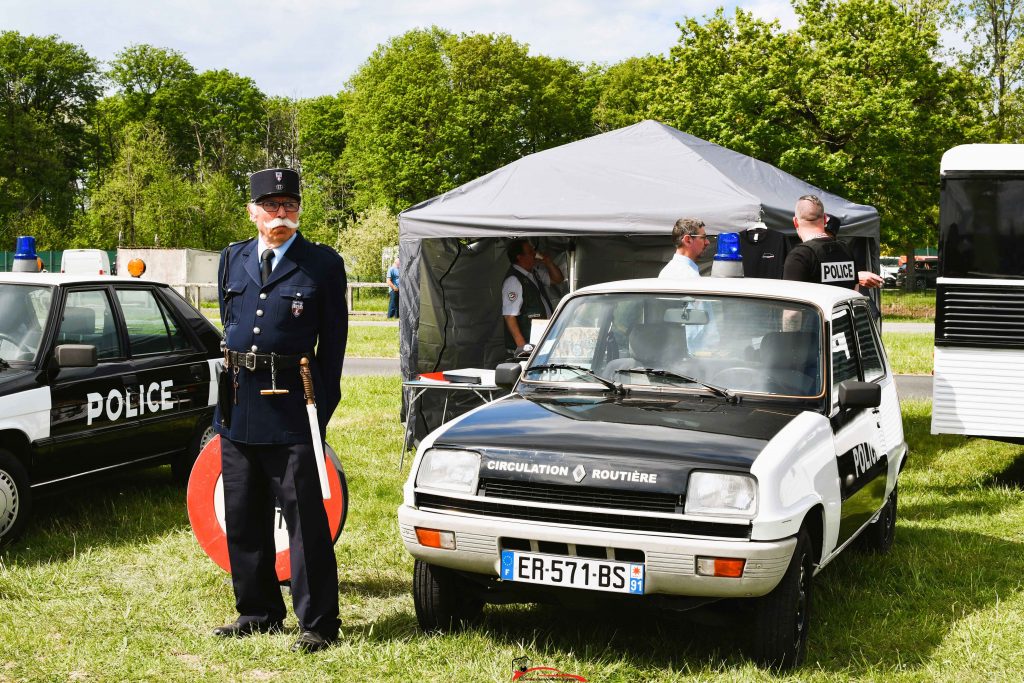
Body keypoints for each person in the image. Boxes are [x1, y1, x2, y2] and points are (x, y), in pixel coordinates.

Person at [212, 167, 348, 654]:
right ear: (252, 212)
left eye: (289, 205)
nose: (281, 214)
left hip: (294, 407)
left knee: (305, 521)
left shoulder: (322, 264)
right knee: (243, 514)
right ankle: (257, 611)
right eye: (271, 206)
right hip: (239, 404)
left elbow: (333, 348)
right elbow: (230, 327)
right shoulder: (233, 258)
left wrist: (319, 413)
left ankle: (317, 622)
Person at [783, 195, 859, 289]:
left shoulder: (800, 255)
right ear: (825, 218)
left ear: (795, 221)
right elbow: (855, 292)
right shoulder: (846, 249)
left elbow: (791, 300)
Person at [502, 239, 564, 353]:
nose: (534, 254)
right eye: (530, 252)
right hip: (528, 344)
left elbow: (558, 279)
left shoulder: (534, 272)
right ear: (520, 257)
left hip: (538, 340)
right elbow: (509, 316)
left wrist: (548, 262)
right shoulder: (513, 280)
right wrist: (523, 348)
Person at [824, 214, 884, 290]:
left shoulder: (843, 254)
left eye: (830, 238)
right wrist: (856, 276)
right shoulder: (808, 252)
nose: (825, 240)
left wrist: (855, 277)